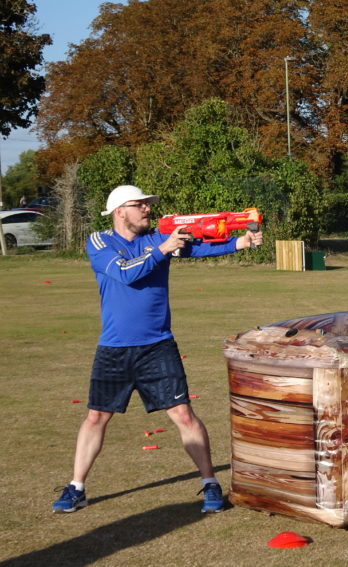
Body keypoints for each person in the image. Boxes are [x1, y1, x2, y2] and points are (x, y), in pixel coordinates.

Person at [52, 185, 263, 514]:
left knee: (183, 414)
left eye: (148, 205)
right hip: (114, 348)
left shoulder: (156, 239)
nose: (147, 210)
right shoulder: (100, 242)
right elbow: (125, 273)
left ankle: (210, 484)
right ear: (120, 211)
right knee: (96, 417)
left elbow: (198, 249)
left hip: (158, 346)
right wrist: (163, 248)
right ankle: (76, 487)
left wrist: (240, 241)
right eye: (140, 205)